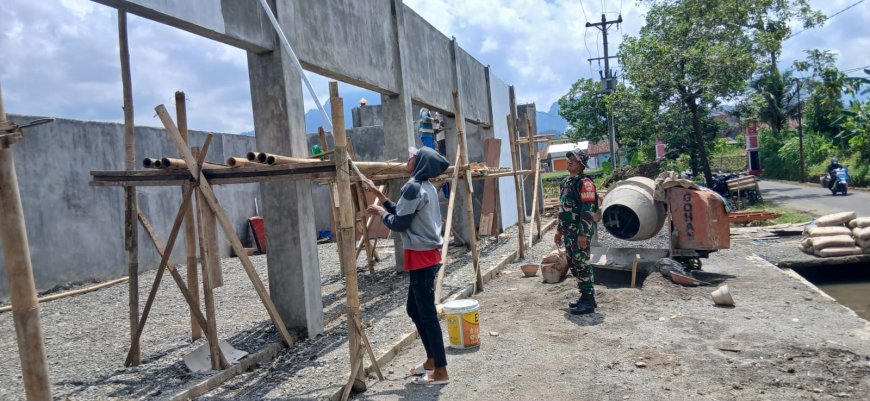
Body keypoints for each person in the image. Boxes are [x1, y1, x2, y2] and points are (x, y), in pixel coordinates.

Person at [363, 146, 451, 385]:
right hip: (426, 256)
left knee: (428, 315)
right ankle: (432, 359)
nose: (408, 158)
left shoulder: (414, 187)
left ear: (420, 162)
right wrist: (381, 198)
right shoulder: (425, 187)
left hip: (422, 258)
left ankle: (441, 371)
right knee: (414, 310)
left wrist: (381, 213)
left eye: (412, 156)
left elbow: (399, 223)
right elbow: (405, 212)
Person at [554, 149, 599, 314]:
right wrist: (559, 231)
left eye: (573, 159)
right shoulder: (566, 183)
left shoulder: (585, 183)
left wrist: (583, 234)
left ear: (581, 164)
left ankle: (588, 299)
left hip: (579, 233)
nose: (569, 162)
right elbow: (562, 209)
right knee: (573, 264)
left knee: (582, 264)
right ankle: (585, 297)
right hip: (568, 232)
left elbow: (588, 210)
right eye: (569, 159)